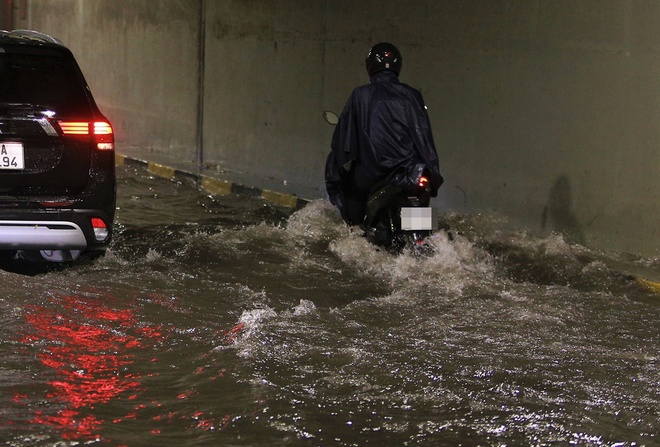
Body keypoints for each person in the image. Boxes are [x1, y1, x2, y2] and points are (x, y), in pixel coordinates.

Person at [325, 42, 443, 228]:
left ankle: (357, 231)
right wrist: (432, 173)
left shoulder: (360, 95)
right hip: (410, 173)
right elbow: (425, 139)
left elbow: (342, 143)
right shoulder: (414, 95)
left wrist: (336, 173)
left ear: (369, 66)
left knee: (351, 197)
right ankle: (425, 236)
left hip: (372, 174)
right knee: (425, 235)